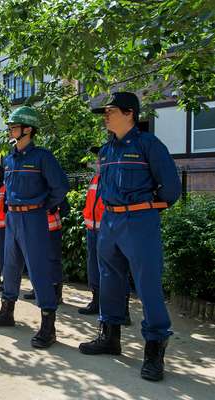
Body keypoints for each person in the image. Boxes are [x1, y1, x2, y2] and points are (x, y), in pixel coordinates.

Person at [79, 92, 181, 382]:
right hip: (109, 221)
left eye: (110, 111)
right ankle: (110, 336)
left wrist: (145, 208)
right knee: (109, 278)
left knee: (147, 283)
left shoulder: (148, 144)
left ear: (129, 113)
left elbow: (171, 189)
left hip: (138, 220)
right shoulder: (107, 150)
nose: (105, 117)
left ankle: (154, 348)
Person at [0, 106, 69, 350]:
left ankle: (48, 326)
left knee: (38, 271)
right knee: (10, 267)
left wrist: (43, 205)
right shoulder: (9, 158)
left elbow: (60, 187)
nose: (10, 129)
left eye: (14, 126)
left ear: (28, 129)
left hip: (33, 219)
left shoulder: (42, 157)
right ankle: (7, 312)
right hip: (13, 219)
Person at [78, 146, 132, 326]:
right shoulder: (96, 178)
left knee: (116, 270)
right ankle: (96, 301)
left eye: (101, 158)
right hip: (92, 230)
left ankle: (123, 310)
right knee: (93, 266)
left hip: (110, 230)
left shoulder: (117, 177)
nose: (98, 161)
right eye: (98, 158)